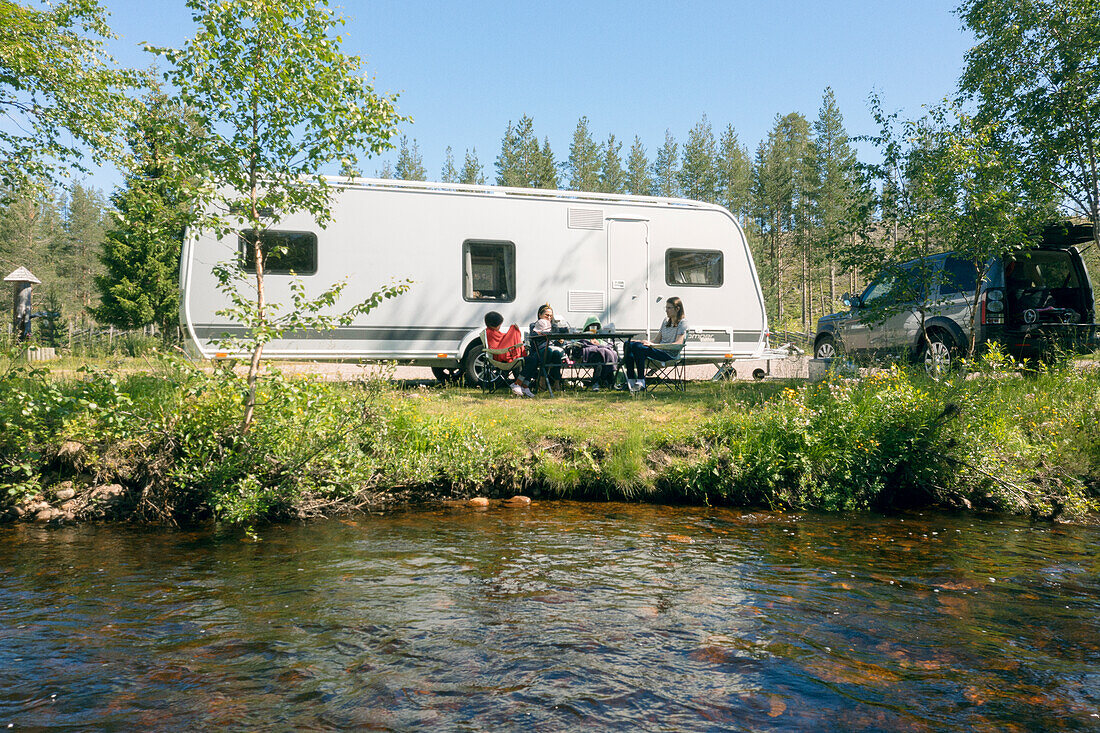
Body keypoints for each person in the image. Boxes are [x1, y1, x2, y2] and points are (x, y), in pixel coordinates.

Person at [623, 296, 686, 392]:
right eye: (666, 308)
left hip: (669, 354)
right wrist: (644, 342)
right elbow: (657, 339)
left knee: (639, 348)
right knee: (629, 344)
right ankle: (631, 381)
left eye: (669, 308)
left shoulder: (683, 323)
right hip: (659, 350)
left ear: (677, 309)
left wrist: (653, 346)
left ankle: (641, 382)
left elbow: (678, 343)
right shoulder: (666, 321)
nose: (666, 310)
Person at [483, 311, 534, 397]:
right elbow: (500, 344)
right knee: (532, 360)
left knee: (533, 360)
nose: (500, 327)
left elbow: (502, 337)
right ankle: (520, 384)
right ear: (494, 324)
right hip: (502, 356)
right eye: (499, 324)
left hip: (502, 354)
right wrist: (514, 331)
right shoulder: (490, 332)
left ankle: (523, 385)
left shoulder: (490, 331)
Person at [529, 303, 565, 388]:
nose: (549, 318)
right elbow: (533, 337)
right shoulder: (534, 325)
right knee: (548, 351)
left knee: (556, 353)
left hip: (552, 350)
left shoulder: (554, 326)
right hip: (538, 351)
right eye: (546, 315)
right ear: (540, 315)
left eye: (551, 316)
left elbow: (559, 342)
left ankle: (557, 382)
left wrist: (560, 341)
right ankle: (542, 379)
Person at [577, 316, 618, 390]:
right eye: (592, 326)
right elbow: (581, 345)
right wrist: (590, 343)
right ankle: (598, 382)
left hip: (603, 358)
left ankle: (609, 382)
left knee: (608, 354)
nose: (594, 328)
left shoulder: (600, 338)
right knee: (598, 358)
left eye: (596, 326)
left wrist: (598, 344)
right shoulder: (583, 336)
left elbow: (605, 346)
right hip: (589, 357)